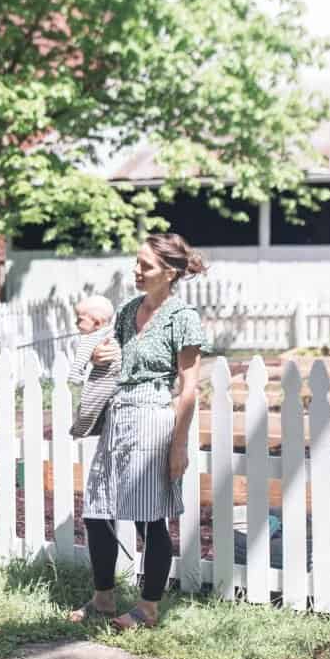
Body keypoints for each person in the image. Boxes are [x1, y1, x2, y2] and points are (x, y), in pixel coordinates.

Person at [70, 233, 209, 631]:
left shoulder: (183, 318)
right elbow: (105, 353)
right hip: (117, 417)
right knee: (97, 513)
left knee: (151, 519)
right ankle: (103, 597)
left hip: (153, 419)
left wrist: (178, 446)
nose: (136, 270)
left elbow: (189, 387)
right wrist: (100, 353)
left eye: (145, 265)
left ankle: (148, 608)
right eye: (136, 262)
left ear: (169, 272)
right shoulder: (128, 309)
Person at [68, 295, 120, 439]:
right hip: (117, 380)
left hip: (101, 380)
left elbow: (81, 358)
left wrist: (75, 376)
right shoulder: (114, 332)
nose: (75, 323)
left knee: (88, 407)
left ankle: (80, 431)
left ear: (97, 322)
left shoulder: (90, 338)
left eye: (80, 319)